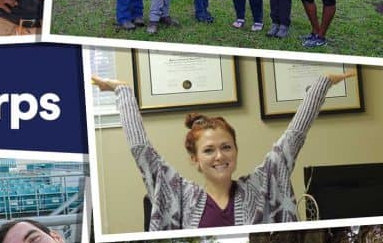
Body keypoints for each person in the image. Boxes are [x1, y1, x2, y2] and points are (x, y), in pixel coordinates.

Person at [91, 71, 354, 230]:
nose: (219, 156)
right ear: (195, 159)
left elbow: (294, 137)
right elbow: (141, 149)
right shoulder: (176, 193)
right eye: (208, 150)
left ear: (236, 151)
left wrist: (323, 83)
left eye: (226, 147)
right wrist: (122, 90)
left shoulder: (263, 184)